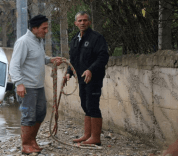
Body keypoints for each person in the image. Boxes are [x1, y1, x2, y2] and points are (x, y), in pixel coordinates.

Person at [9, 14, 62, 154]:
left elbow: (38, 58)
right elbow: (14, 65)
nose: (46, 31)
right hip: (27, 87)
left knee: (41, 113)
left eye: (46, 28)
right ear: (34, 28)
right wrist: (19, 83)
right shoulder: (23, 42)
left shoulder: (38, 40)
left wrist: (50, 60)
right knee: (28, 115)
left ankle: (32, 140)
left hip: (38, 86)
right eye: (44, 28)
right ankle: (25, 145)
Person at [64, 11, 109, 146]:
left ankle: (95, 138)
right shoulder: (74, 39)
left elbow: (103, 57)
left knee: (92, 105)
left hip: (94, 78)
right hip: (81, 78)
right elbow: (73, 59)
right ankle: (87, 135)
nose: (82, 23)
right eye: (80, 21)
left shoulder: (97, 38)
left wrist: (91, 70)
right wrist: (68, 72)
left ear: (89, 22)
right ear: (75, 23)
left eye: (85, 20)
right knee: (85, 104)